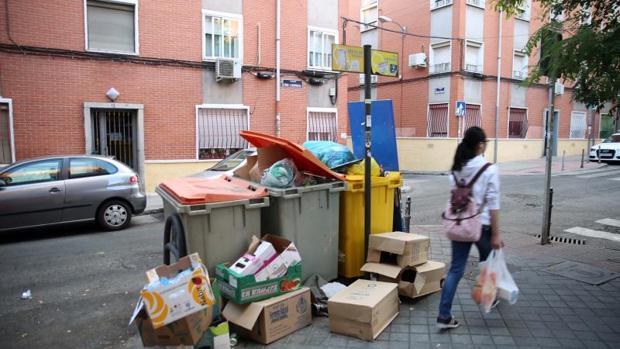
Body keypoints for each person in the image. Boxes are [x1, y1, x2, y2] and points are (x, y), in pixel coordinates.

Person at [437, 126, 502, 329]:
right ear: (479, 145)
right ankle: (485, 296)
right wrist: (497, 233)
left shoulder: (456, 169)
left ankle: (444, 316)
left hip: (460, 225)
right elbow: (494, 204)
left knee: (456, 269)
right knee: (490, 263)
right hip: (481, 226)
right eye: (484, 143)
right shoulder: (489, 169)